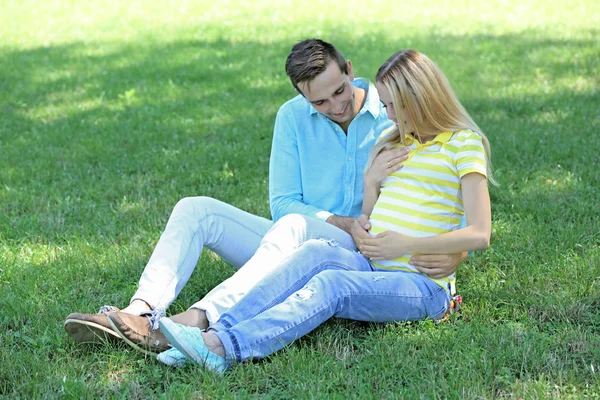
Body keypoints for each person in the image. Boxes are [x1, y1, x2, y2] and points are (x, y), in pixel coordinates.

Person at [64, 40, 464, 354]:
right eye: (319, 102)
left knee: (293, 228)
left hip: (354, 254)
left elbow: (443, 193)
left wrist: (456, 252)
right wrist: (340, 221)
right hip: (294, 241)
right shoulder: (292, 117)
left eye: (340, 92)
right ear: (302, 96)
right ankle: (139, 314)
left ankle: (198, 320)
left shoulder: (395, 115)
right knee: (197, 209)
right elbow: (284, 204)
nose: (336, 106)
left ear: (349, 71)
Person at [156, 48, 494, 373]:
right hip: (370, 264)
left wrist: (405, 246)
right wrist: (370, 183)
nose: (389, 115)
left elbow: (480, 233)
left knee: (332, 286)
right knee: (314, 251)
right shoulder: (399, 140)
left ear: (420, 98)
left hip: (422, 285)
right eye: (387, 105)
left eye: (393, 106)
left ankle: (223, 348)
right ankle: (210, 334)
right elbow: (370, 217)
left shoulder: (463, 143)